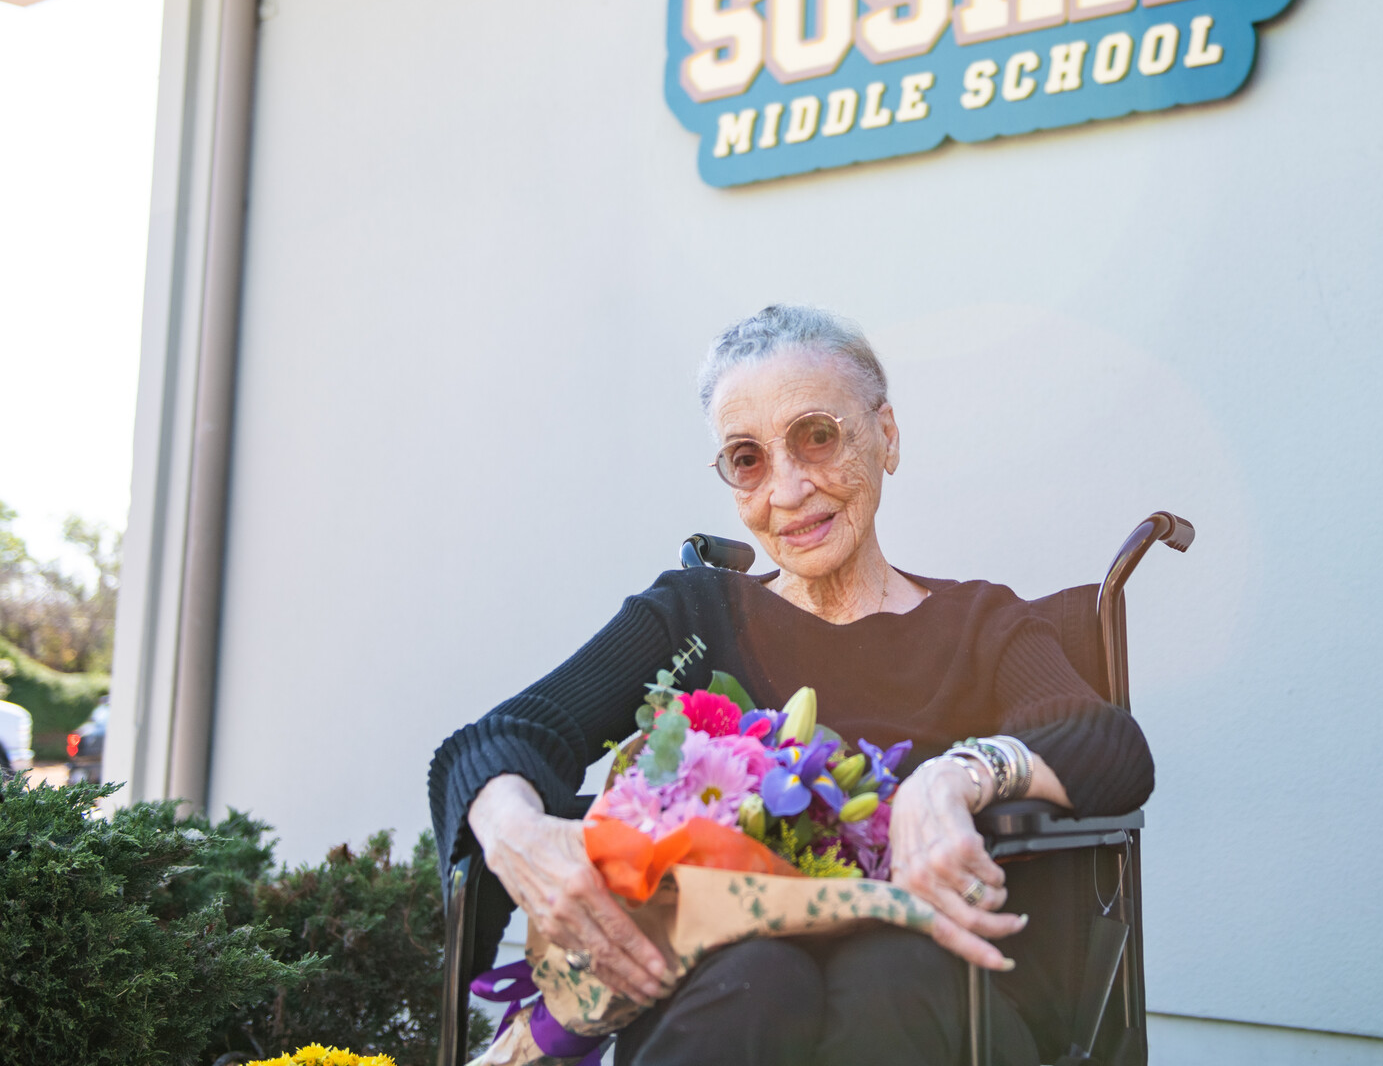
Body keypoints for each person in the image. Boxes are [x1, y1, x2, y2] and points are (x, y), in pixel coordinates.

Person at [429, 304, 1154, 1065]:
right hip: (731, 999)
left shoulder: (977, 621)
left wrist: (953, 780)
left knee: (890, 968)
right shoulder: (693, 614)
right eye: (748, 458)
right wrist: (520, 838)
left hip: (931, 1002)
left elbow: (1103, 740)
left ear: (887, 438)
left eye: (817, 436)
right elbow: (495, 742)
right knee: (754, 977)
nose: (789, 489)